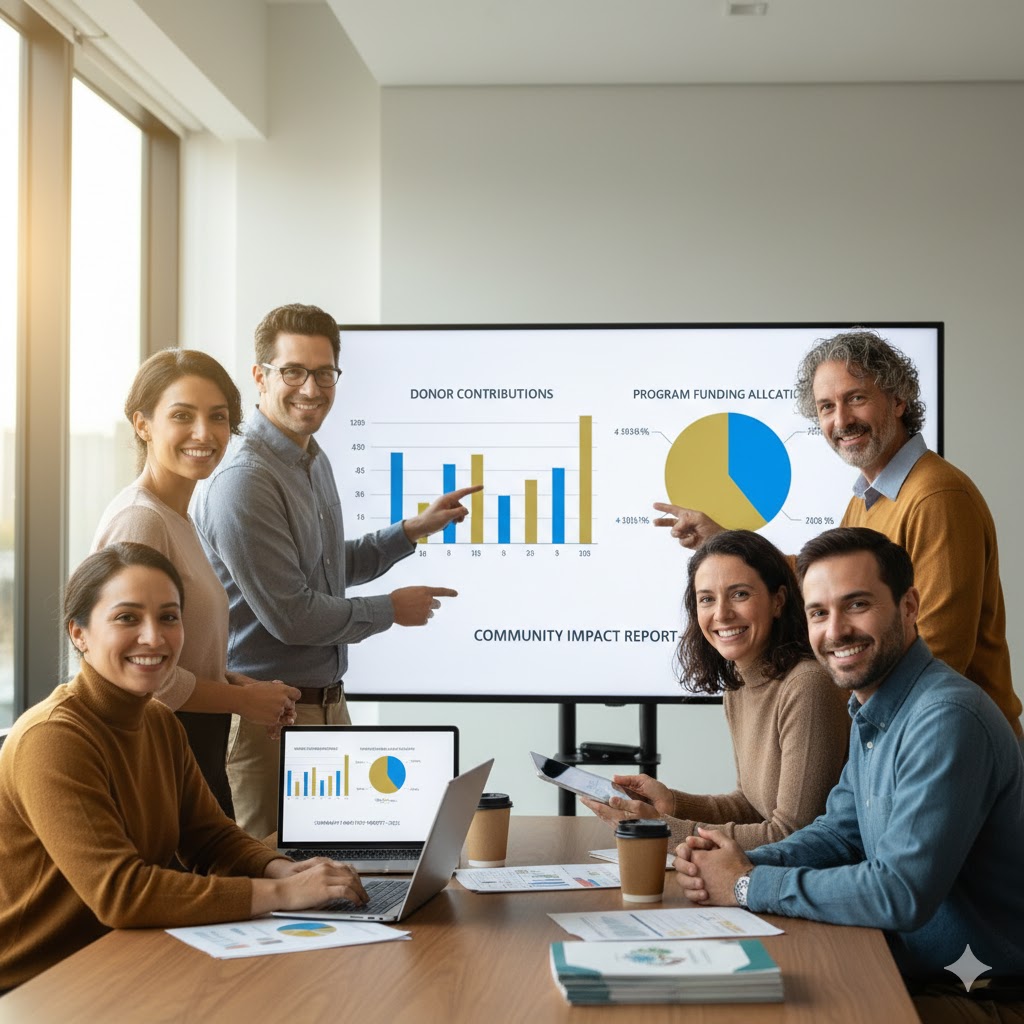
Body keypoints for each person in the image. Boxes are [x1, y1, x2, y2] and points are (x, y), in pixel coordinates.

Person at [674, 528, 1024, 1023]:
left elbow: (898, 893)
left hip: (984, 996)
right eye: (819, 612)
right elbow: (840, 834)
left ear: (909, 606)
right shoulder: (876, 707)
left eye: (856, 605)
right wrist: (732, 862)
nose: (835, 631)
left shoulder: (946, 717)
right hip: (901, 968)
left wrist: (750, 884)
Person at [0, 542, 367, 991]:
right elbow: (122, 894)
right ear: (79, 634)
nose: (153, 637)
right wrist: (284, 895)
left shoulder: (156, 720)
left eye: (169, 617)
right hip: (37, 984)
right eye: (127, 617)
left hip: (123, 959)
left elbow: (209, 837)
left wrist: (280, 869)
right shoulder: (53, 738)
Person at [193, 303, 480, 838]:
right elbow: (293, 616)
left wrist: (408, 532)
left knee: (329, 873)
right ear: (259, 376)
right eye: (293, 372)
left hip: (325, 709)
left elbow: (323, 570)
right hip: (268, 724)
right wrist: (391, 610)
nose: (311, 388)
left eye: (324, 374)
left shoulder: (310, 457)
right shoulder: (244, 478)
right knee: (272, 882)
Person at [653, 328, 1022, 745]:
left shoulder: (936, 496)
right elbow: (819, 583)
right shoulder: (870, 498)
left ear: (899, 400)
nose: (841, 420)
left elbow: (937, 653)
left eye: (856, 398)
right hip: (902, 739)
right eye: (827, 406)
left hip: (951, 746)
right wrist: (727, 541)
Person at [92, 349, 302, 815]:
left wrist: (245, 689)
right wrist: (241, 701)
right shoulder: (140, 522)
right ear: (143, 424)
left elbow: (178, 652)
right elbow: (138, 674)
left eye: (218, 417)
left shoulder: (177, 518)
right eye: (182, 416)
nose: (204, 434)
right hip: (152, 760)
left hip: (189, 751)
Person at [580, 530, 849, 849]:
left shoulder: (807, 684)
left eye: (739, 594)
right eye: (707, 599)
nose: (721, 614)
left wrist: (660, 830)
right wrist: (671, 803)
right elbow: (752, 806)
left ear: (778, 601)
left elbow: (792, 836)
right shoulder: (738, 684)